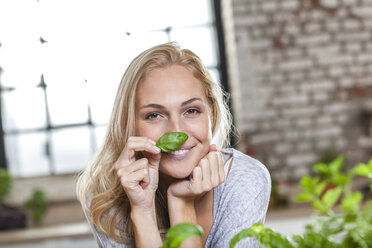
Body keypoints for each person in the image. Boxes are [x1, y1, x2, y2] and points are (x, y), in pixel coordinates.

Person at [76, 42, 271, 248]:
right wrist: (142, 211)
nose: (176, 131)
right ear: (129, 124)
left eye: (191, 111)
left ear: (211, 114)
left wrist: (181, 203)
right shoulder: (105, 193)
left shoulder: (243, 179)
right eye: (154, 115)